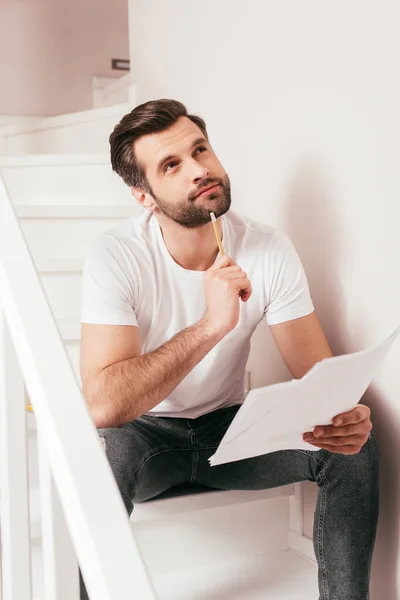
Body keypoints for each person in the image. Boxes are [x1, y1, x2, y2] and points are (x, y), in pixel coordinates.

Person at [79, 99, 378, 600]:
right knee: (104, 451)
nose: (199, 170)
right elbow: (105, 405)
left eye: (201, 150)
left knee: (356, 447)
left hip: (229, 433)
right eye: (171, 165)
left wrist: (342, 417)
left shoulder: (267, 247)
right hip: (146, 437)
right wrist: (212, 325)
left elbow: (320, 379)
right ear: (143, 196)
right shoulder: (116, 255)